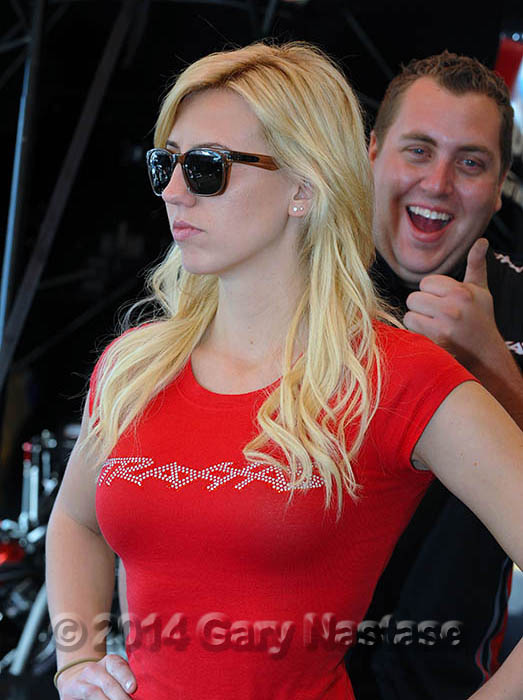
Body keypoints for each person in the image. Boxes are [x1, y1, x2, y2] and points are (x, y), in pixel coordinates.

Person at [45, 42, 523, 700]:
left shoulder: (395, 375)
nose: (174, 191)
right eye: (166, 163)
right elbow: (75, 521)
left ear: (303, 186)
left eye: (207, 167)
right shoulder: (135, 364)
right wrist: (76, 662)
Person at [348, 52, 523, 699]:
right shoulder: (288, 283)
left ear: (499, 184)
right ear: (372, 152)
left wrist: (490, 367)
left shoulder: (518, 300)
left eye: (470, 163)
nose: (439, 182)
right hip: (277, 673)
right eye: (418, 151)